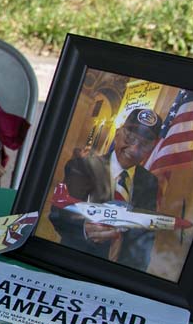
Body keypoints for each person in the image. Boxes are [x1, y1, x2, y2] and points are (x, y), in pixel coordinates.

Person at [49, 108, 163, 271]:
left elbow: (145, 236)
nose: (134, 149)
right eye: (130, 138)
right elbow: (58, 214)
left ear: (152, 148)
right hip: (75, 264)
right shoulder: (81, 167)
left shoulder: (149, 182)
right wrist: (84, 227)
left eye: (144, 144)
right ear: (117, 133)